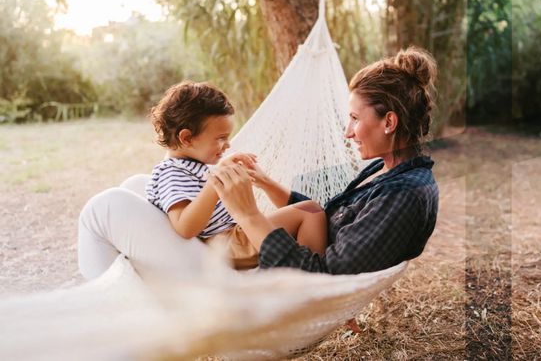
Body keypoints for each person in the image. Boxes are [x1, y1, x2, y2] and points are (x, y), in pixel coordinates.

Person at [77, 47, 439, 278]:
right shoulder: (387, 172)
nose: (347, 132)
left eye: (355, 119)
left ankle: (115, 307)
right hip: (214, 243)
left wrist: (248, 214)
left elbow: (324, 272)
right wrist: (263, 182)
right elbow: (326, 220)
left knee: (105, 206)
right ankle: (128, 297)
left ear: (389, 122)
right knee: (135, 186)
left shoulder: (404, 196)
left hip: (226, 261)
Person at [143, 81, 327, 270]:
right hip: (226, 243)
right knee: (311, 211)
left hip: (236, 237)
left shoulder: (191, 166)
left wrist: (222, 170)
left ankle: (301, 276)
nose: (228, 145)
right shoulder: (171, 173)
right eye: (221, 138)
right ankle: (309, 280)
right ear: (187, 138)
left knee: (308, 212)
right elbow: (184, 227)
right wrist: (217, 180)